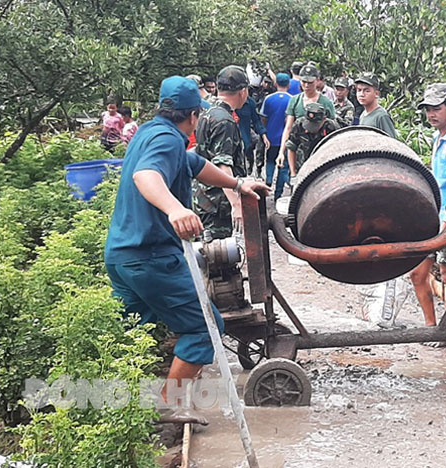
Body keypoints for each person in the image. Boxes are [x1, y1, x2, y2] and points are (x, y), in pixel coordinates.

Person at [104, 75, 269, 425]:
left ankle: (120, 410)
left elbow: (198, 166)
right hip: (151, 258)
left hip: (121, 256)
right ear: (194, 116)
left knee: (137, 330)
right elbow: (146, 176)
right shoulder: (165, 140)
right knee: (203, 327)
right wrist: (175, 209)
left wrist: (238, 184)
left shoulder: (152, 132)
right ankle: (168, 405)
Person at [408, 83, 446, 347]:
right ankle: (430, 326)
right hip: (431, 214)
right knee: (418, 272)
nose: (432, 114)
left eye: (437, 109)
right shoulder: (438, 138)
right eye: (428, 109)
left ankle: (445, 333)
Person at [193, 65, 250, 239]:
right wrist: (236, 204)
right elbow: (222, 165)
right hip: (217, 204)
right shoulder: (224, 121)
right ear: (242, 92)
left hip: (203, 197)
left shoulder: (207, 113)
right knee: (220, 257)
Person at [276, 63, 336, 171]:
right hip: (298, 151)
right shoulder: (295, 101)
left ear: (317, 81)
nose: (307, 85)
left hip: (319, 151)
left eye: (310, 82)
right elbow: (288, 127)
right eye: (304, 82)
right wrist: (281, 152)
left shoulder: (326, 103)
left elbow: (333, 128)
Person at [260, 73, 293, 199]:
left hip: (271, 137)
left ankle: (268, 182)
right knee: (283, 167)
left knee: (269, 161)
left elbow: (264, 117)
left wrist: (265, 132)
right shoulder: (292, 99)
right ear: (288, 84)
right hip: (285, 139)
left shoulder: (268, 99)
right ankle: (278, 194)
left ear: (275, 84)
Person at [285, 102, 340, 175]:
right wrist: (293, 173)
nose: (308, 130)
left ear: (324, 120)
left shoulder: (332, 128)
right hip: (302, 167)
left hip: (323, 168)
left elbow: (338, 152)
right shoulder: (299, 124)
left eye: (314, 125)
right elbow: (291, 148)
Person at [236, 96, 270, 178]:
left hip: (246, 140)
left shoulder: (250, 103)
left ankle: (250, 168)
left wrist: (263, 135)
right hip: (231, 141)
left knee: (248, 153)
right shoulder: (225, 102)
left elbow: (257, 120)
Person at [356, 72, 396, 138]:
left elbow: (391, 143)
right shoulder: (363, 115)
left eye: (367, 91)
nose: (362, 94)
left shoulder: (381, 116)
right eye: (359, 90)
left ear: (376, 94)